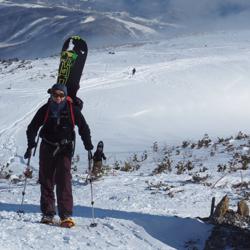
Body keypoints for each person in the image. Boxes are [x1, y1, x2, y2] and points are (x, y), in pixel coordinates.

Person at [24, 83, 93, 228]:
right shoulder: (46, 109)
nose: (58, 98)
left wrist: (88, 144)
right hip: (47, 146)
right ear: (51, 95)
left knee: (64, 180)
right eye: (55, 95)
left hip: (65, 148)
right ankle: (48, 213)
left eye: (61, 95)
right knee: (46, 180)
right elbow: (32, 127)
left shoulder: (72, 110)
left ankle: (65, 215)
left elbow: (84, 127)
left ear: (65, 96)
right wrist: (31, 143)